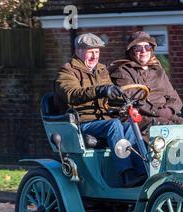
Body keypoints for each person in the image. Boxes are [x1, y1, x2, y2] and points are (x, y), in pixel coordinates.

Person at [53, 33, 146, 187]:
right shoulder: (67, 71)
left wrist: (127, 101)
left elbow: (109, 95)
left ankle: (142, 171)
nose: (94, 56)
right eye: (90, 52)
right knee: (114, 125)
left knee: (129, 126)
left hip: (103, 120)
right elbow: (71, 95)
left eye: (97, 52)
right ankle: (126, 174)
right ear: (78, 50)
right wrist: (100, 90)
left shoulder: (101, 69)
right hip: (82, 122)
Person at [109, 31, 183, 135]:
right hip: (138, 118)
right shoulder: (122, 71)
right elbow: (133, 101)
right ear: (131, 51)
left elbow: (174, 98)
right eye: (138, 48)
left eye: (147, 47)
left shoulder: (158, 71)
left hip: (164, 114)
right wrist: (157, 113)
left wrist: (169, 110)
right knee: (168, 128)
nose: (144, 51)